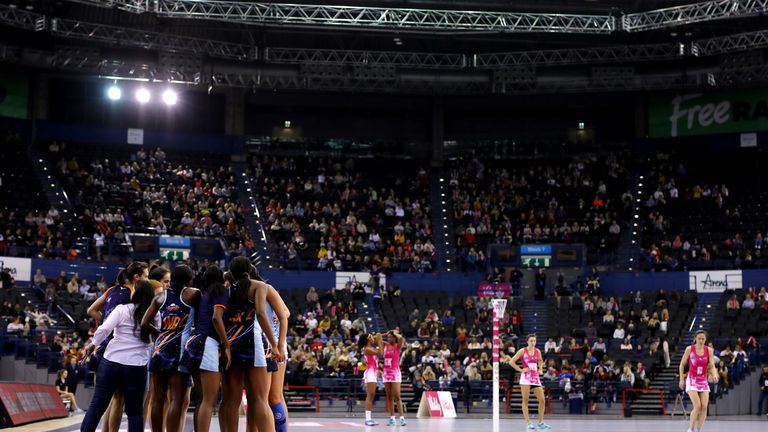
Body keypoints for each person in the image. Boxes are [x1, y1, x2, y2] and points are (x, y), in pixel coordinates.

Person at [80, 280, 157, 432]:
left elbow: (104, 329)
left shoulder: (122, 309)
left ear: (136, 294)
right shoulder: (154, 315)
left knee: (97, 406)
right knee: (135, 413)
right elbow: (155, 336)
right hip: (136, 366)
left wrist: (92, 345)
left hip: (111, 362)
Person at [219, 256, 284, 432]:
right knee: (260, 399)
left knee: (231, 401)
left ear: (231, 273)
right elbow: (262, 314)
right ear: (249, 270)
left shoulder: (226, 290)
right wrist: (274, 345)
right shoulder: (259, 286)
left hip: (231, 345)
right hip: (253, 346)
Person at [142, 265, 199, 432]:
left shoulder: (160, 297)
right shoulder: (192, 294)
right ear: (189, 280)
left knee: (157, 399)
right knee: (176, 399)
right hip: (179, 352)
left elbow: (145, 323)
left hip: (159, 350)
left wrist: (160, 334)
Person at [180, 266, 231, 432]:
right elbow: (216, 318)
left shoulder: (203, 294)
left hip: (193, 342)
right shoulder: (220, 291)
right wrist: (226, 344)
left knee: (201, 399)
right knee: (209, 400)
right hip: (207, 344)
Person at [506, 334, 550, 430]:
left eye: (534, 341)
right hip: (526, 378)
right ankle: (528, 422)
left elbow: (540, 360)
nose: (533, 343)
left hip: (535, 378)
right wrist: (521, 370)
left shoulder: (538, 351)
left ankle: (540, 422)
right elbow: (511, 362)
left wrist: (540, 369)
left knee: (542, 400)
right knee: (525, 400)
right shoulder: (522, 351)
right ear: (527, 341)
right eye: (531, 341)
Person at [264, 277, 290, 432]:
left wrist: (279, 315)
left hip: (277, 346)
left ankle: (283, 429)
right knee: (272, 396)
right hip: (268, 346)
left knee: (275, 396)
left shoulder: (268, 290)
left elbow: (286, 312)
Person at [678, 330, 718, 432]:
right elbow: (682, 365)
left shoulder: (709, 350)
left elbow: (712, 365)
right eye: (699, 338)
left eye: (703, 339)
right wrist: (681, 379)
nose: (701, 340)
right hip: (692, 380)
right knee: (697, 406)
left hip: (703, 380)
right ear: (695, 338)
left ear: (705, 339)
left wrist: (714, 375)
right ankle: (691, 429)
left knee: (704, 406)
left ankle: (698, 430)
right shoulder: (689, 349)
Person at [383, 330, 406, 426]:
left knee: (397, 396)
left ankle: (402, 418)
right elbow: (375, 338)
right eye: (388, 337)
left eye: (391, 337)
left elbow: (401, 338)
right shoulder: (385, 345)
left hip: (395, 373)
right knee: (389, 397)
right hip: (386, 373)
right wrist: (385, 334)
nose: (389, 339)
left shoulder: (397, 346)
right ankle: (392, 418)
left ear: (394, 338)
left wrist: (394, 333)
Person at [360, 332, 383, 426]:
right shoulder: (367, 349)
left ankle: (369, 418)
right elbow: (380, 353)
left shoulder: (371, 348)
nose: (373, 338)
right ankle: (368, 419)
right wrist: (379, 341)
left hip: (374, 373)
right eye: (371, 337)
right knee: (370, 395)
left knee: (372, 395)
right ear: (369, 339)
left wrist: (380, 338)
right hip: (370, 373)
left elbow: (381, 351)